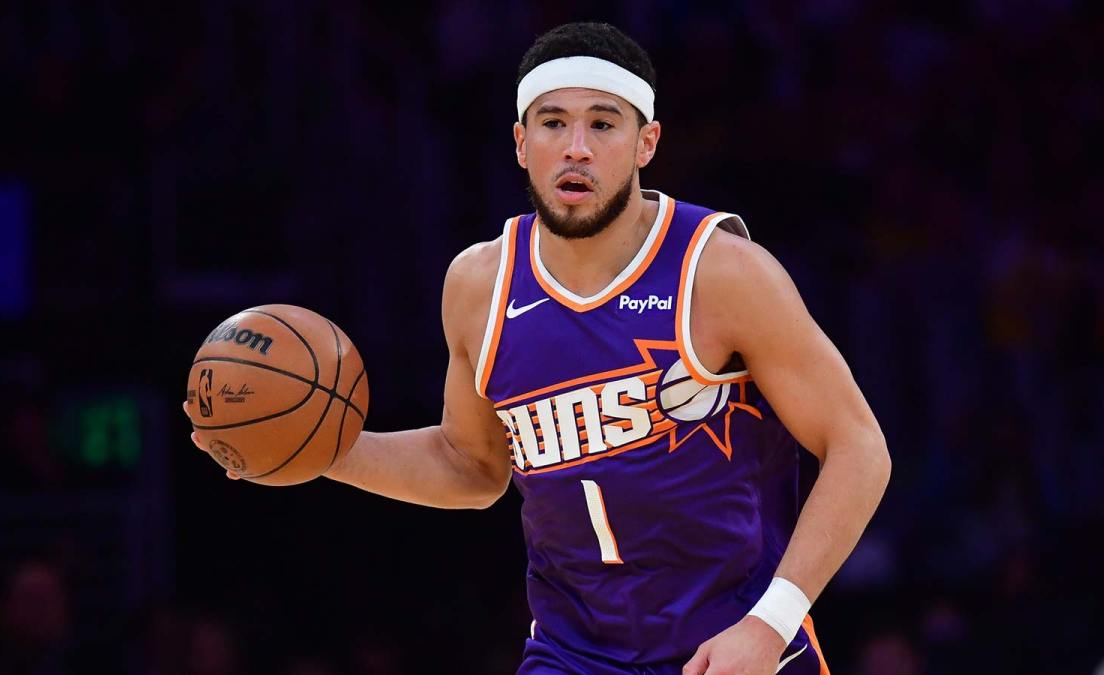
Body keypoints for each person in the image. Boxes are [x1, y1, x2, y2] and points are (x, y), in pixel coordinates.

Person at [191, 22, 890, 674]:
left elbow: (859, 446)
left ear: (646, 143)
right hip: (572, 652)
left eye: (602, 124)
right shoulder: (477, 284)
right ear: (523, 144)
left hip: (732, 645)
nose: (576, 146)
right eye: (554, 123)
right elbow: (471, 465)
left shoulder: (723, 272)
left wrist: (771, 621)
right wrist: (316, 447)